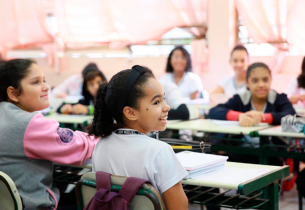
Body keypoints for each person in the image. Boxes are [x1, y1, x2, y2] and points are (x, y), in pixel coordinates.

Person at [0, 59, 97, 210]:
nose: (46, 87)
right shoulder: (28, 123)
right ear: (13, 93)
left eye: (44, 80)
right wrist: (107, 137)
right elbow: (79, 147)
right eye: (35, 82)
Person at [89, 65, 189, 210]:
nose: (167, 107)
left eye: (164, 99)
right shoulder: (160, 152)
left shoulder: (100, 146)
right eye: (156, 102)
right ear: (130, 112)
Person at [208, 62, 295, 126]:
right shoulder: (240, 99)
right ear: (247, 83)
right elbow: (214, 112)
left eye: (265, 80)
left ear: (270, 80)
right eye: (255, 81)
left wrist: (263, 117)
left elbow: (291, 114)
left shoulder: (279, 98)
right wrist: (240, 116)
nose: (261, 85)